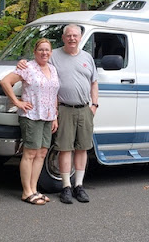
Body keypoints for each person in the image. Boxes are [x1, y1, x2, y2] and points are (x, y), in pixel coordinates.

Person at [18, 24, 99, 204]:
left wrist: (94, 105)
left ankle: (79, 185)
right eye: (68, 35)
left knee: (82, 147)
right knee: (64, 147)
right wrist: (21, 62)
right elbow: (39, 59)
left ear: (80, 38)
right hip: (63, 108)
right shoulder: (54, 55)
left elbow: (94, 83)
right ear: (63, 38)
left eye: (75, 36)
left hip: (84, 108)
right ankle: (66, 187)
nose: (72, 38)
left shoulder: (87, 57)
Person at [1, 39, 60, 205]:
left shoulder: (53, 69)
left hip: (48, 117)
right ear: (35, 52)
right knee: (30, 153)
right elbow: (5, 82)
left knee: (41, 153)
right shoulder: (27, 67)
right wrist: (17, 102)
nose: (44, 53)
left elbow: (54, 93)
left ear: (51, 52)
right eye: (41, 50)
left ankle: (34, 189)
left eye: (47, 50)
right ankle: (26, 192)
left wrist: (55, 116)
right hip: (31, 116)